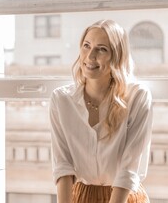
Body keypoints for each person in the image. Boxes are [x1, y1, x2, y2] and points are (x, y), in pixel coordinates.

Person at [49, 19, 153, 203]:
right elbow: (63, 166)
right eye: (86, 46)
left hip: (123, 196)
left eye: (102, 49)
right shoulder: (61, 100)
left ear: (117, 56)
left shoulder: (138, 97)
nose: (90, 56)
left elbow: (128, 170)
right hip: (80, 197)